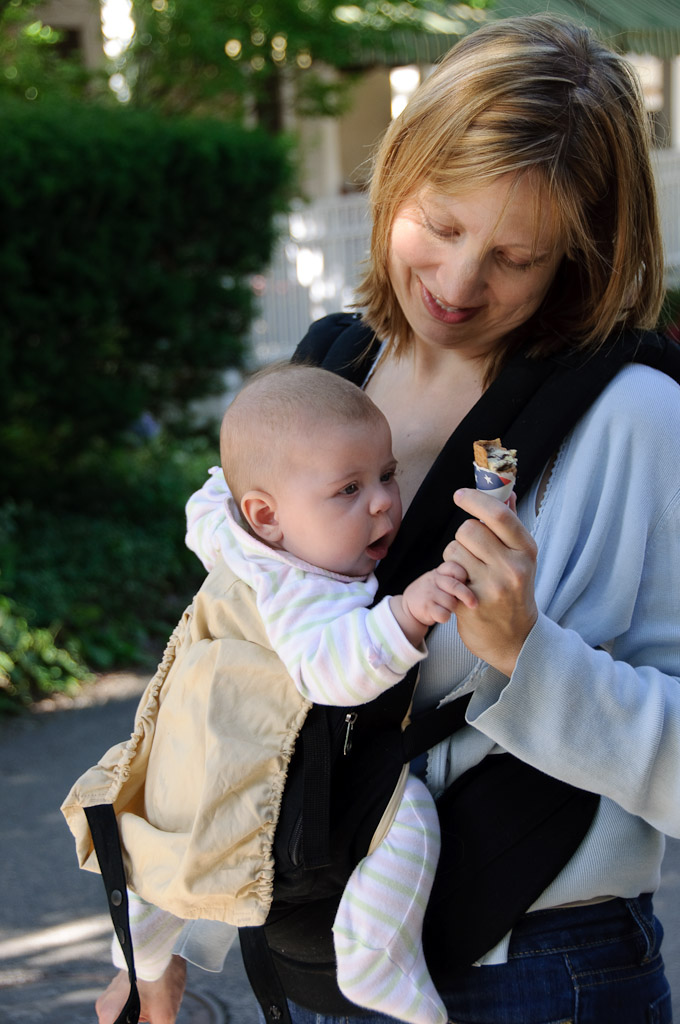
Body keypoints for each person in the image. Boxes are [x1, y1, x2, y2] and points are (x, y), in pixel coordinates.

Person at [95, 12, 680, 1024]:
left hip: (533, 969)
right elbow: (232, 676)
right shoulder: (332, 366)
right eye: (441, 225)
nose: (456, 285)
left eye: (515, 256)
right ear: (395, 176)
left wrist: (527, 657)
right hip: (313, 958)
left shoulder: (633, 416)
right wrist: (161, 936)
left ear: (578, 257)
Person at [70, 364, 472, 1024]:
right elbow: (327, 669)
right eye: (347, 489)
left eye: (387, 474)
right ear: (268, 515)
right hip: (258, 770)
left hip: (193, 759)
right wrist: (406, 614)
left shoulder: (234, 527)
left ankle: (139, 964)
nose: (381, 503)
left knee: (165, 856)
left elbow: (208, 500)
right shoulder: (301, 586)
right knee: (408, 816)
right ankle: (376, 952)